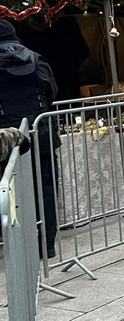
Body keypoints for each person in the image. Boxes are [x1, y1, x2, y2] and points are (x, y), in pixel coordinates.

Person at [0, 20, 59, 257]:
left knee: (8, 191)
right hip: (40, 132)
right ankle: (47, 244)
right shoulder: (36, 58)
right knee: (45, 189)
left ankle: (14, 247)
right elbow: (52, 90)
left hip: (6, 138)